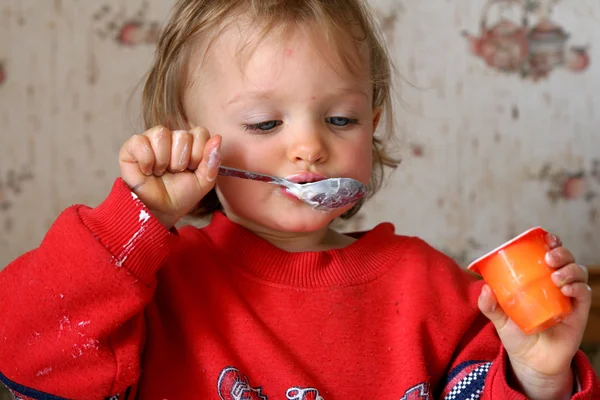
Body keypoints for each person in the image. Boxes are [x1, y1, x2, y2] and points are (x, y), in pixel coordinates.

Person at [0, 0, 598, 399]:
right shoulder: (156, 285)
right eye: (264, 125)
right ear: (191, 142)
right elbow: (23, 349)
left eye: (341, 119)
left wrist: (537, 375)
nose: (310, 147)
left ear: (374, 125)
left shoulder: (437, 290)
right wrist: (136, 221)